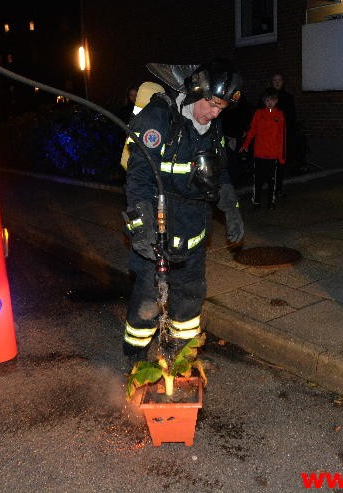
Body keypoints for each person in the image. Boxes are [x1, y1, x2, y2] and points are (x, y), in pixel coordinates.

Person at [121, 59, 245, 367]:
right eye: (213, 105)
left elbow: (220, 173)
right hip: (159, 226)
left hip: (193, 229)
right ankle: (135, 353)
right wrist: (143, 227)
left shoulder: (212, 126)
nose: (216, 113)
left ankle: (183, 353)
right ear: (195, 94)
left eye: (222, 108)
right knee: (150, 298)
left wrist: (231, 208)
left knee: (191, 295)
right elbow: (137, 179)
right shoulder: (159, 118)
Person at [240, 87, 285, 208]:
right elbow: (252, 131)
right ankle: (256, 201)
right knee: (258, 180)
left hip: (273, 154)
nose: (270, 102)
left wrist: (281, 156)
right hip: (259, 153)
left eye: (272, 100)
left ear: (276, 101)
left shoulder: (280, 115)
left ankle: (271, 201)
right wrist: (245, 144)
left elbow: (282, 136)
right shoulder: (259, 113)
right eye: (267, 100)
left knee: (272, 180)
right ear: (264, 101)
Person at [269, 72, 296, 197]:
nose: (277, 82)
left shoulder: (288, 97)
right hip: (268, 137)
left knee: (280, 164)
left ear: (283, 81)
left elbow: (291, 118)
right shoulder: (266, 97)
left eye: (279, 80)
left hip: (282, 137)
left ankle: (278, 189)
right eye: (275, 80)